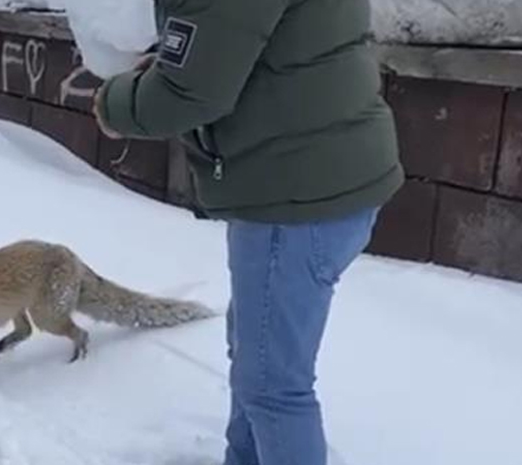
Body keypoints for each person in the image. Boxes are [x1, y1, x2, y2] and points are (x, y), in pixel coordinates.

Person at [91, 0, 404, 463]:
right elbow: (247, 44)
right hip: (317, 178)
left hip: (294, 192)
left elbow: (192, 93)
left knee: (272, 385)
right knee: (256, 361)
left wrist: (115, 104)